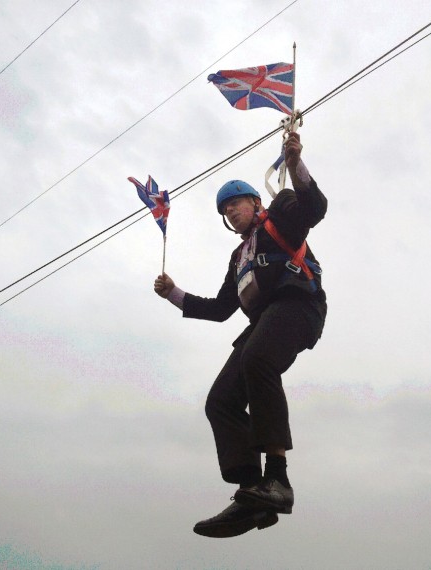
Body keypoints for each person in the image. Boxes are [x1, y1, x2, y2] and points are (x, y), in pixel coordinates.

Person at [153, 132, 327, 538]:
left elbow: (315, 208)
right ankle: (252, 491)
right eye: (225, 210)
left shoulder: (281, 211)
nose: (231, 212)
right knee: (221, 401)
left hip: (299, 306)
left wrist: (296, 163)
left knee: (257, 360)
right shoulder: (239, 257)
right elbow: (219, 310)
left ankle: (277, 480)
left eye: (236, 203)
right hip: (264, 321)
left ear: (255, 202)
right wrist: (173, 293)